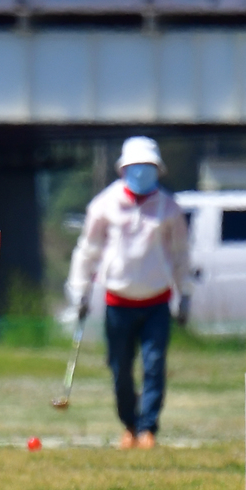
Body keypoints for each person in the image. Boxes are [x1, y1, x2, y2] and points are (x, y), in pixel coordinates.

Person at [66, 137, 192, 450]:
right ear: (123, 169)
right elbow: (88, 251)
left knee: (153, 365)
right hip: (117, 301)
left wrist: (184, 293)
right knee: (120, 368)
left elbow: (181, 255)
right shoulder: (104, 205)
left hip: (156, 301)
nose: (142, 173)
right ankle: (129, 424)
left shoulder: (169, 208)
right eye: (136, 167)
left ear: (157, 170)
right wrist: (79, 291)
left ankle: (148, 427)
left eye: (148, 167)